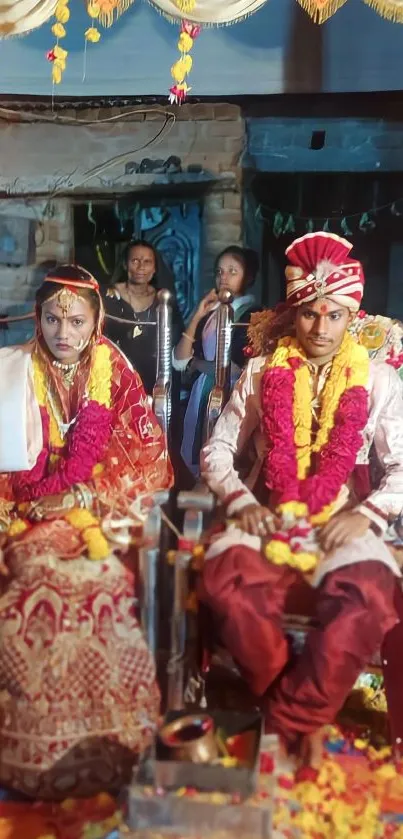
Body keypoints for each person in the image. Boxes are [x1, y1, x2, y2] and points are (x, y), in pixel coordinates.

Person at [198, 231, 403, 767]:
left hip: (344, 516)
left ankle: (284, 721)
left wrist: (368, 515)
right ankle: (306, 720)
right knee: (227, 584)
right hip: (267, 510)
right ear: (294, 314)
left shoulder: (379, 379)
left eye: (333, 315)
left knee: (370, 596)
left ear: (350, 318)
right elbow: (217, 450)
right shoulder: (262, 373)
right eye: (310, 314)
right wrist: (242, 504)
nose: (320, 327)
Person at [0, 264, 173, 798]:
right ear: (37, 317)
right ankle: (28, 751)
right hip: (25, 509)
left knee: (100, 585)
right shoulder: (14, 369)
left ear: (96, 322)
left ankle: (109, 747)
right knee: (30, 574)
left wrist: (80, 496)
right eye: (53, 318)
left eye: (76, 321)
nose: (63, 333)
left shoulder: (114, 369)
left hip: (101, 512)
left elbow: (147, 461)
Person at [173, 246, 260, 477]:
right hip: (201, 391)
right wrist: (198, 315)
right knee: (197, 458)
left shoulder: (253, 314)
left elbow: (240, 367)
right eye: (220, 272)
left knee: (223, 454)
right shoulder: (210, 312)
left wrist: (199, 365)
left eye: (233, 271)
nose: (224, 278)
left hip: (233, 392)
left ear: (248, 276)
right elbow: (180, 360)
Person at [104, 239, 183, 396]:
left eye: (147, 262)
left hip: (155, 380)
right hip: (115, 376)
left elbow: (176, 341)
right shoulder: (109, 296)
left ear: (154, 268)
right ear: (125, 265)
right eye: (135, 260)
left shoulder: (164, 300)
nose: (141, 267)